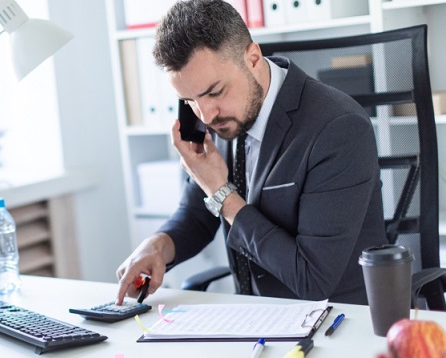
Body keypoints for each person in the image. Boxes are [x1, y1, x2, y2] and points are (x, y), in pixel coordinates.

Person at [115, 0, 387, 306]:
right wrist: (158, 246)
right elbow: (197, 215)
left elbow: (314, 280)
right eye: (189, 100)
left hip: (335, 322)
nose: (205, 115)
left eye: (215, 92)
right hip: (254, 317)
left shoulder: (338, 128)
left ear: (253, 58)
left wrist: (222, 193)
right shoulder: (218, 117)